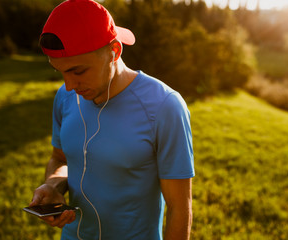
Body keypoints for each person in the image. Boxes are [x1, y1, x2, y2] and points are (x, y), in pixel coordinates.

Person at [29, 0, 195, 239]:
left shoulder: (164, 106)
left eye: (78, 71)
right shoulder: (65, 97)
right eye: (61, 72)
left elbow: (179, 208)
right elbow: (60, 158)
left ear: (114, 52)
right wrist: (54, 186)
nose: (69, 85)